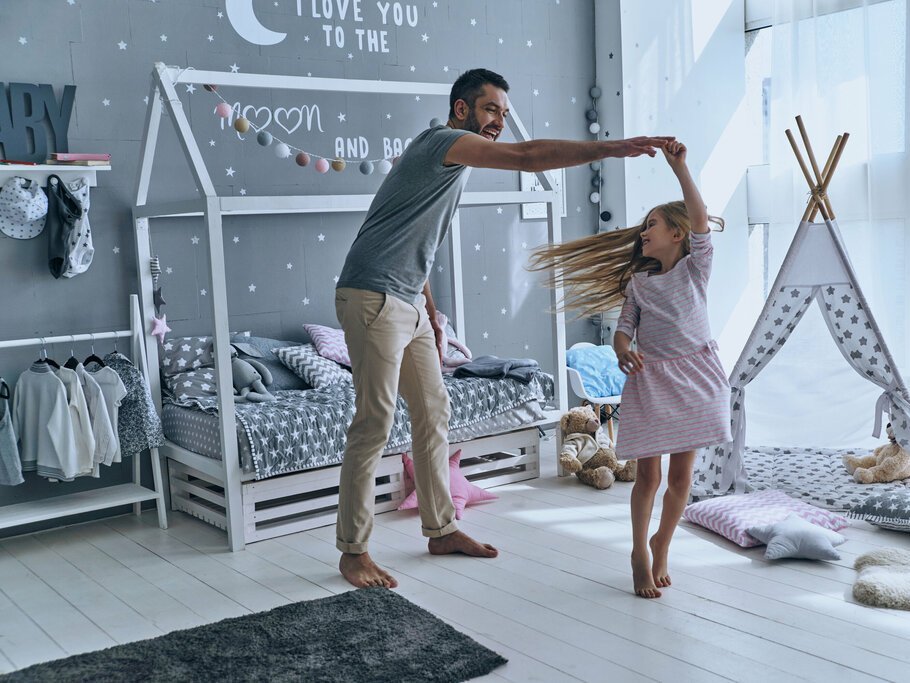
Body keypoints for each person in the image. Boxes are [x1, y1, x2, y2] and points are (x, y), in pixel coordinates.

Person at [334, 67, 674, 589]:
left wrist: (430, 311)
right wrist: (613, 148)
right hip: (372, 295)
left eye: (504, 113)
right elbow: (526, 156)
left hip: (408, 298)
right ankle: (353, 551)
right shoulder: (442, 142)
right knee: (375, 422)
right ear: (462, 109)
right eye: (491, 109)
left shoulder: (454, 160)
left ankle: (441, 529)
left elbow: (413, 241)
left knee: (433, 412)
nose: (499, 121)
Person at [529, 141, 730, 598]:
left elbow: (700, 217)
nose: (642, 233)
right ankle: (640, 551)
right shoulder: (638, 284)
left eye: (651, 225)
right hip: (652, 382)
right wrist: (622, 350)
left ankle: (663, 543)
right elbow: (624, 330)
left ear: (678, 233)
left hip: (697, 380)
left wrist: (680, 168)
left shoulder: (696, 268)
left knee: (681, 479)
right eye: (642, 227)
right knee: (649, 477)